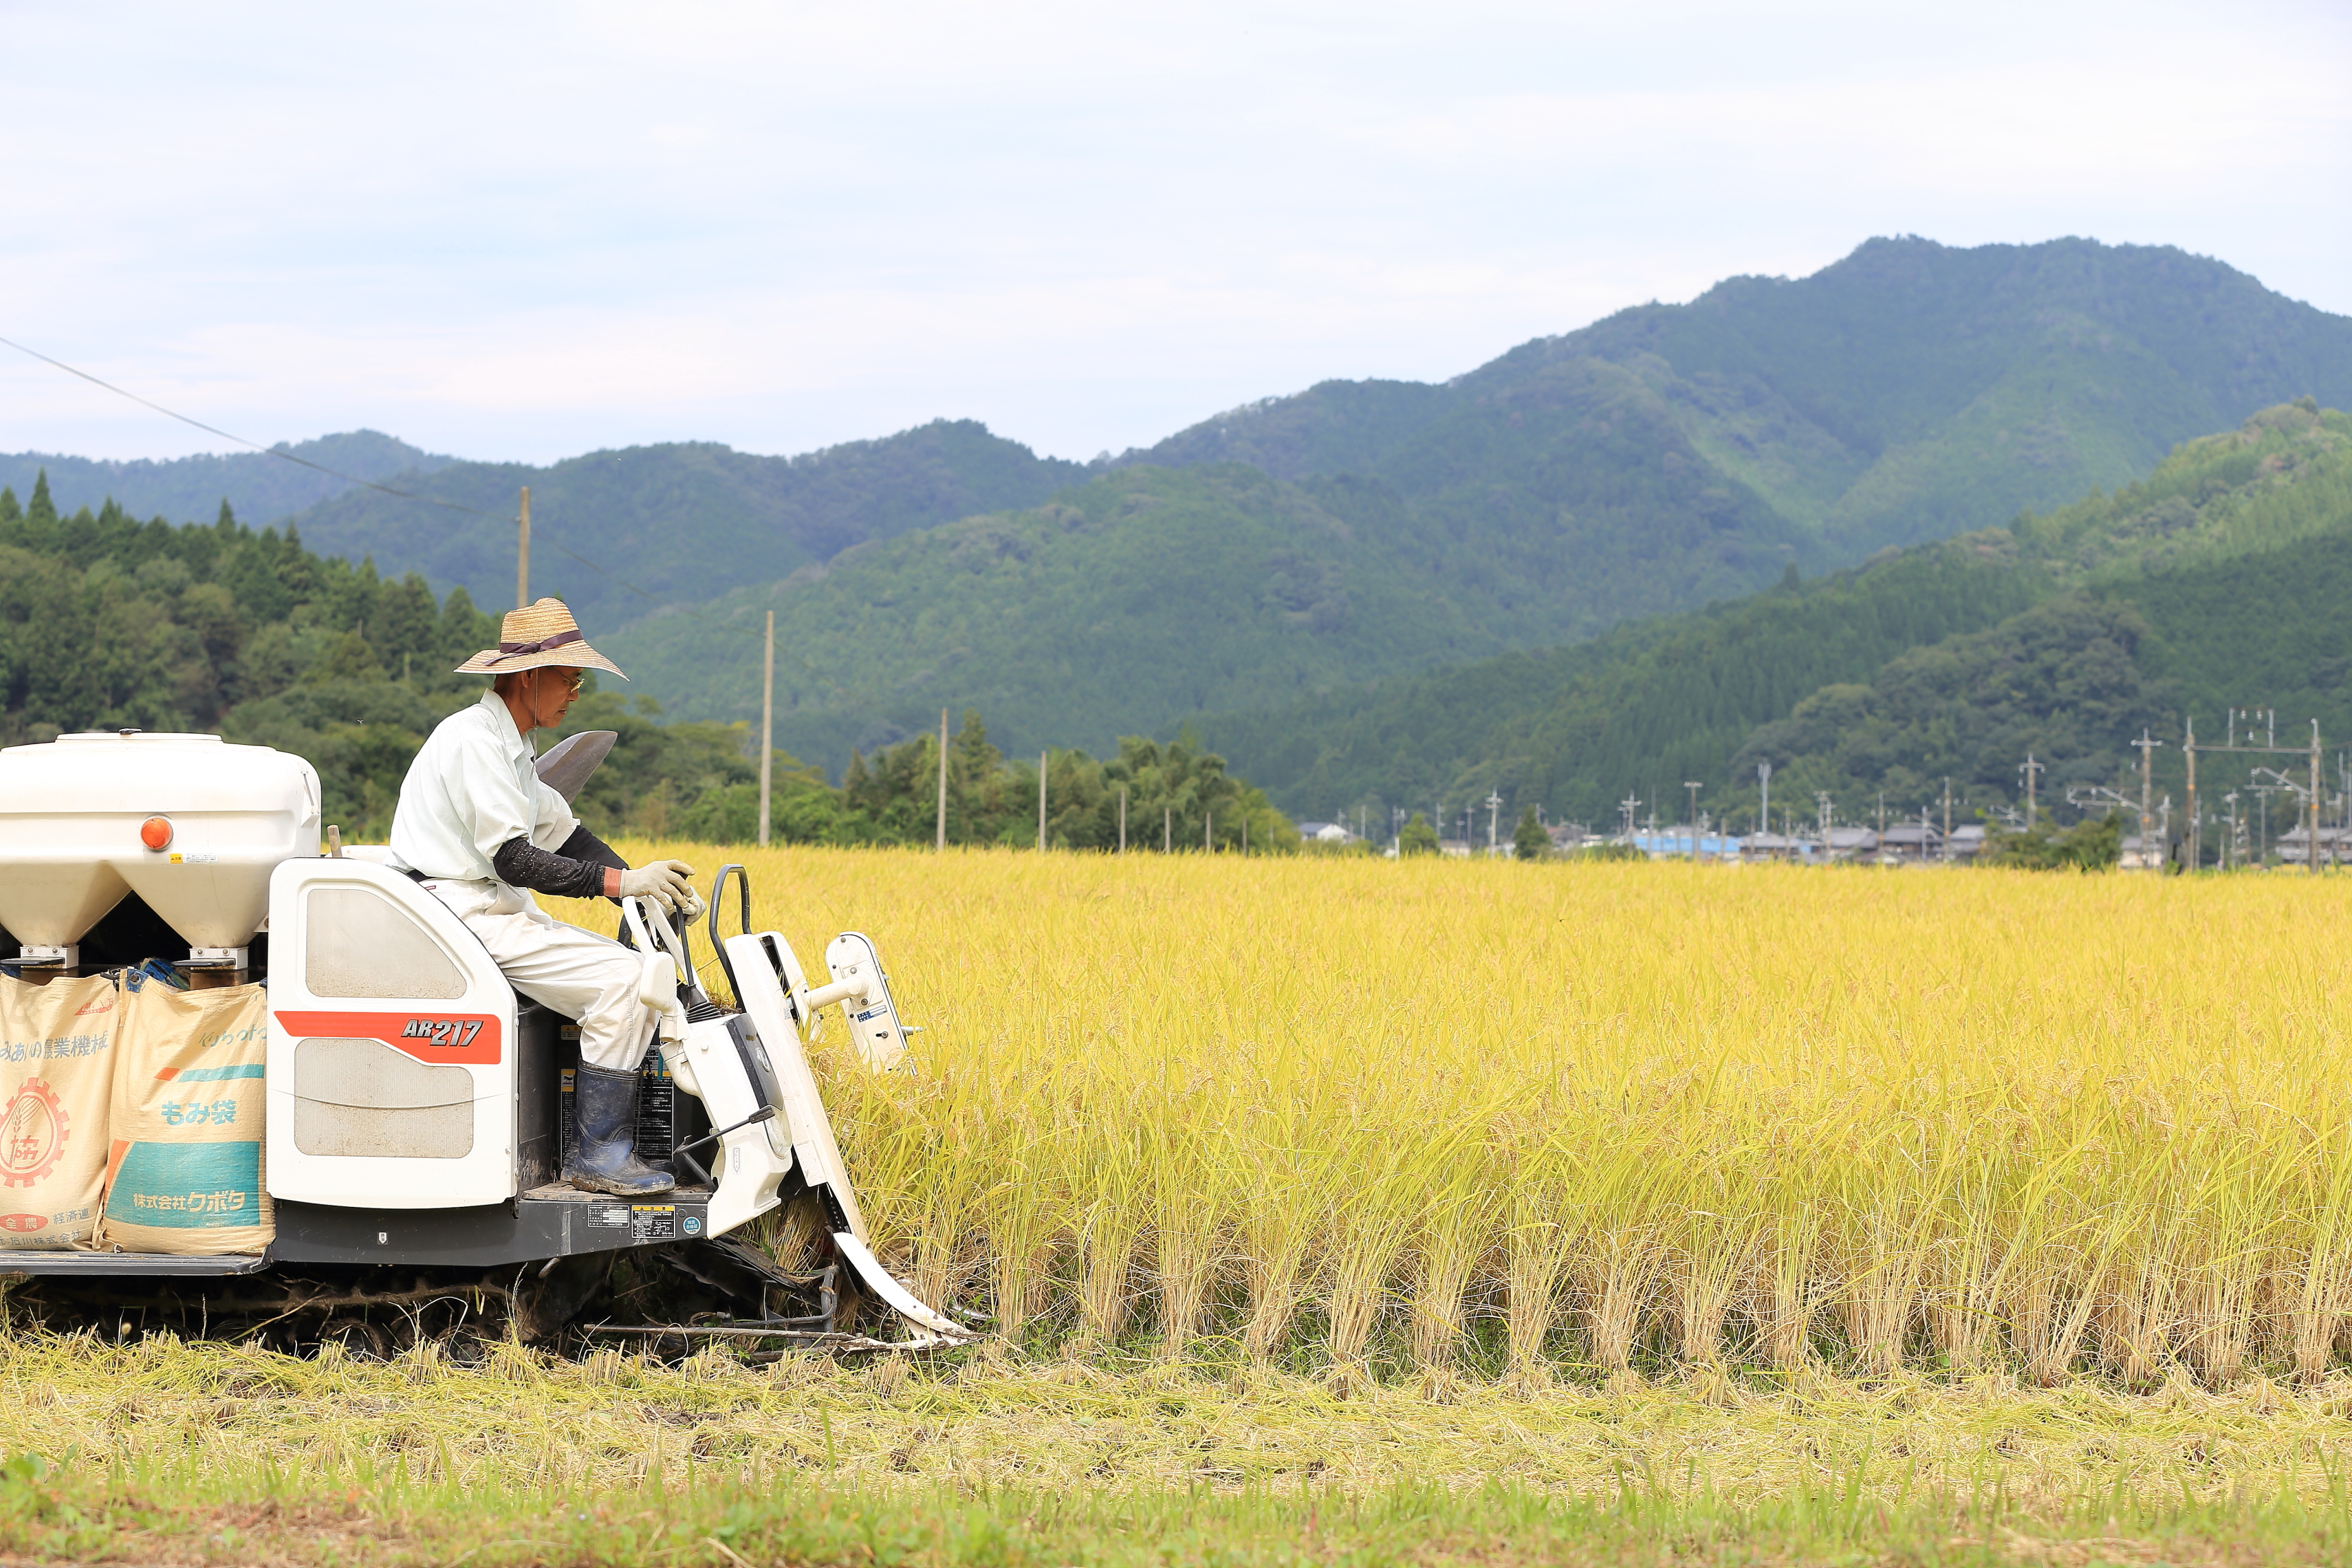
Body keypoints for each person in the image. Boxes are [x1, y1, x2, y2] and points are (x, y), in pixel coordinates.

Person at [387, 598, 695, 1197]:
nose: (576, 692)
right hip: (459, 914)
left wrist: (647, 894)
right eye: (569, 678)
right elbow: (517, 860)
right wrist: (622, 885)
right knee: (629, 982)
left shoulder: (513, 749)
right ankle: (599, 1156)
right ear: (528, 676)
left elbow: (568, 837)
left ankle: (596, 1147)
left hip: (488, 908)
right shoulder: (473, 743)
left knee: (634, 968)